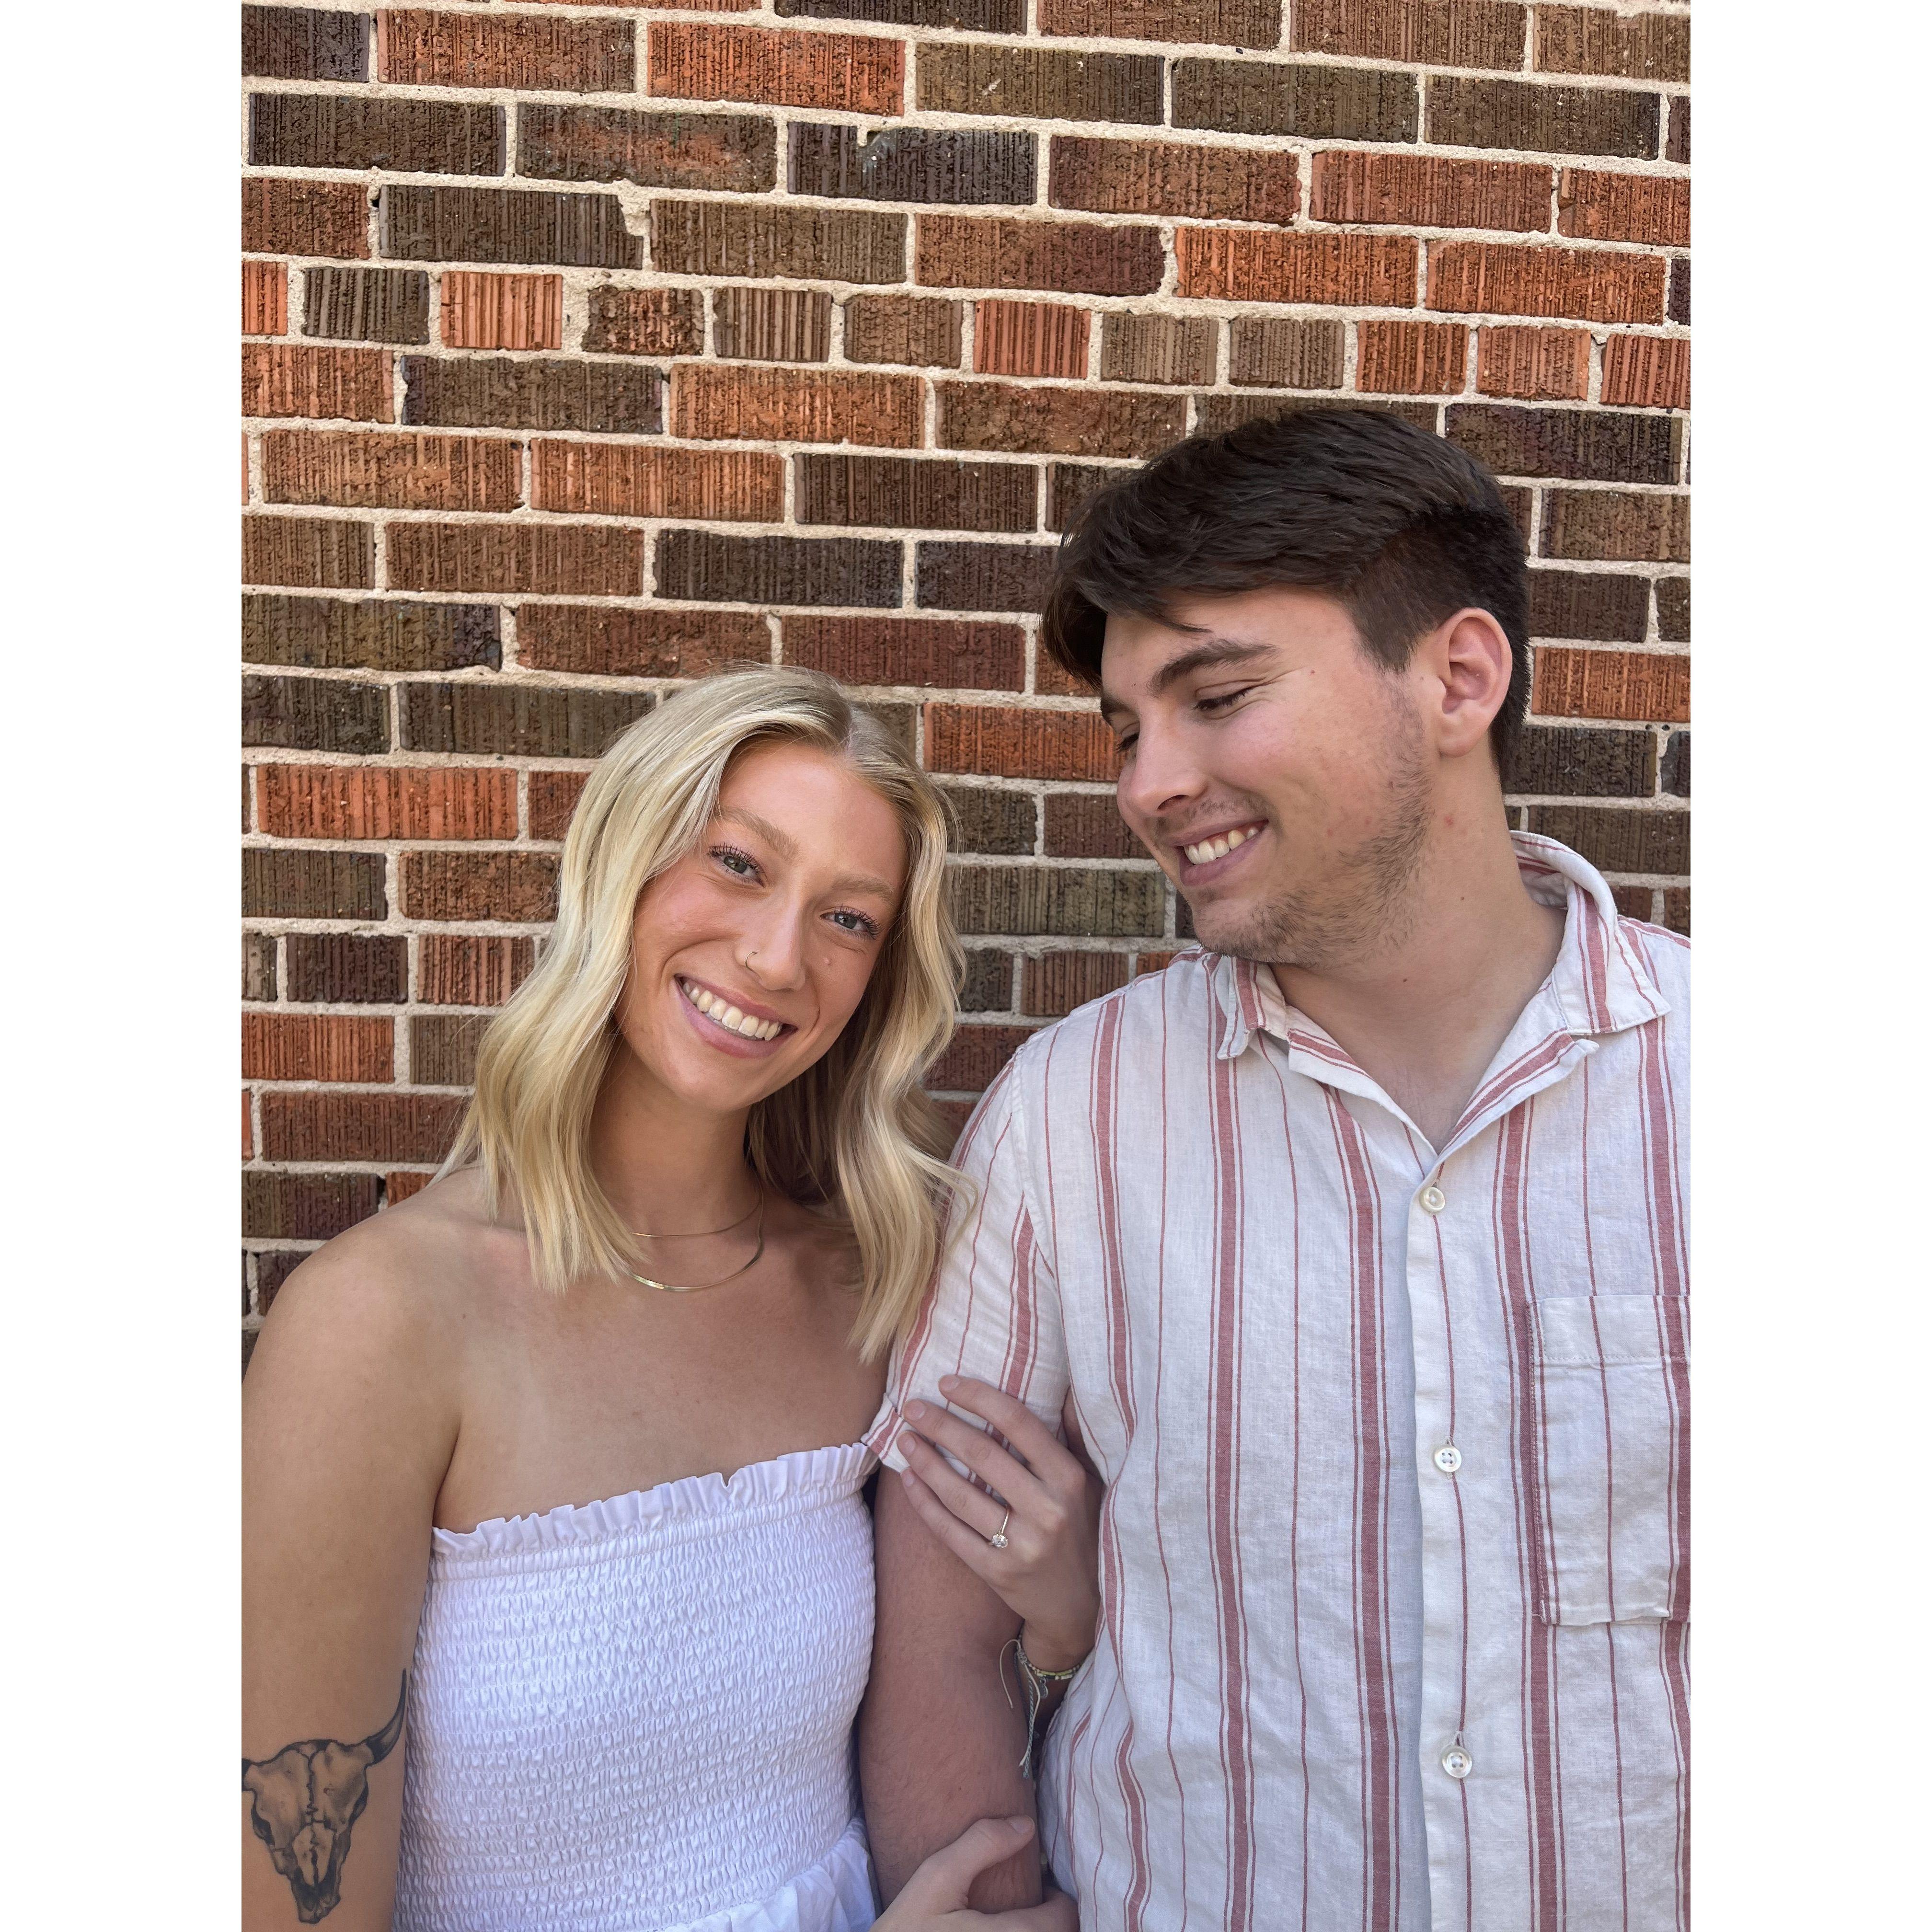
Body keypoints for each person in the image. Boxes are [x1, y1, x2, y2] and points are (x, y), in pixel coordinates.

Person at [861, 409, 1690, 1931]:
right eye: (1127, 729)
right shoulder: (1077, 1116)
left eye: (1217, 697)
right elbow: (940, 1624)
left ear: (1458, 680)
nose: (1149, 783)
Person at [242, 669, 1101, 1932]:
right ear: (621, 868)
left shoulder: (864, 1291)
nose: (777, 957)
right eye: (738, 865)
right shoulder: (381, 1323)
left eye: (848, 919)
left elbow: (949, 1687)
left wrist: (1063, 1625)